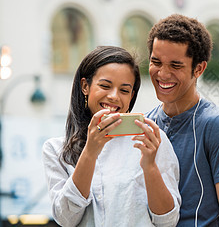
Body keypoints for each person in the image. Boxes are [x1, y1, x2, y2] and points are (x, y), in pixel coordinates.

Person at [42, 46, 181, 227]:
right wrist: (90, 153)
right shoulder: (56, 149)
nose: (114, 96)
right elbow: (66, 219)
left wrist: (150, 166)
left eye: (124, 90)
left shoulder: (150, 140)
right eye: (105, 86)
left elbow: (168, 221)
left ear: (132, 96)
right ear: (85, 86)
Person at [145, 14, 219, 227]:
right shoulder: (147, 123)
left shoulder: (218, 127)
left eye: (175, 65)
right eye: (156, 62)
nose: (163, 73)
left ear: (199, 69)